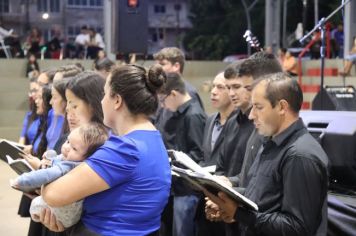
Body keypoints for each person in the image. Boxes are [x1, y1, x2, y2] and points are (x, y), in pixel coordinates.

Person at [38, 64, 171, 235]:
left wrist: (44, 180)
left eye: (105, 94)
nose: (101, 101)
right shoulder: (153, 138)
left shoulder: (126, 149)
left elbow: (53, 194)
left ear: (117, 100)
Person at [205, 73, 329, 236]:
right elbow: (262, 195)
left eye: (259, 107)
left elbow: (297, 228)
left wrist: (238, 213)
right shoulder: (270, 143)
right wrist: (224, 199)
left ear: (282, 107)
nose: (251, 115)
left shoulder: (300, 155)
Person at [11, 123, 108, 228]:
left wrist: (22, 180)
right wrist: (51, 156)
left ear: (87, 157)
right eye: (68, 141)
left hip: (62, 214)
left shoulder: (67, 167)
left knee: (36, 202)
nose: (67, 148)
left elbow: (46, 174)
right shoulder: (74, 159)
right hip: (73, 214)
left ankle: (36, 215)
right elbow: (58, 158)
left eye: (74, 149)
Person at [158, 72, 206, 236]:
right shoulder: (178, 112)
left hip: (187, 188)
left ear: (173, 94)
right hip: (176, 185)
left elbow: (199, 153)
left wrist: (172, 162)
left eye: (163, 100)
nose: (162, 106)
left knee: (182, 231)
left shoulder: (194, 115)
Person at [196, 72, 234, 236]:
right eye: (213, 86)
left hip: (227, 198)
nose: (213, 91)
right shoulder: (210, 120)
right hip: (206, 196)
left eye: (220, 87)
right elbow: (206, 157)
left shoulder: (241, 124)